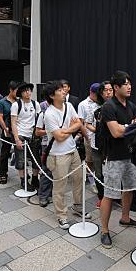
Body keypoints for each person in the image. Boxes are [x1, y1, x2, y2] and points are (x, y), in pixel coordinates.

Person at [99, 71, 136, 248]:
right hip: (114, 157)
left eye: (130, 83)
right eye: (125, 84)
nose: (129, 86)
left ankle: (125, 218)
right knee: (110, 194)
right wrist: (130, 126)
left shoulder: (132, 105)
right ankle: (104, 230)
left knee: (130, 189)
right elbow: (115, 132)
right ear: (116, 87)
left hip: (131, 155)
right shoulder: (109, 107)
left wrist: (127, 127)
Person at [43, 80, 89, 229]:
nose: (64, 92)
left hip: (73, 150)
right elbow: (59, 137)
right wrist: (69, 129)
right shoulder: (49, 114)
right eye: (59, 90)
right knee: (60, 187)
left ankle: (77, 206)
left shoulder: (69, 106)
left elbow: (78, 124)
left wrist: (66, 129)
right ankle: (61, 215)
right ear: (52, 95)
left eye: (64, 90)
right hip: (58, 154)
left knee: (79, 180)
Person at [85, 81, 113, 207]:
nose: (108, 92)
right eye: (105, 90)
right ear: (101, 93)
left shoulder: (117, 106)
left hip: (113, 145)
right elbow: (88, 124)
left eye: (110, 90)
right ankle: (101, 196)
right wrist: (98, 130)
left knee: (113, 172)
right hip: (97, 144)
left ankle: (114, 196)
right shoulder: (95, 108)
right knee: (99, 172)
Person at [11, 82, 41, 190]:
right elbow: (13, 123)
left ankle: (34, 178)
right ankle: (23, 181)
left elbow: (39, 119)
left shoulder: (35, 104)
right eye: (25, 91)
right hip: (21, 135)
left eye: (29, 90)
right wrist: (16, 138)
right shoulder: (16, 105)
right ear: (21, 93)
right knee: (21, 159)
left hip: (33, 135)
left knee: (36, 158)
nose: (28, 92)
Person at [0, 81, 20, 184]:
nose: (18, 93)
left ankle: (22, 173)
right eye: (16, 91)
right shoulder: (2, 102)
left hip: (19, 130)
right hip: (7, 130)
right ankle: (3, 174)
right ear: (11, 90)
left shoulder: (19, 101)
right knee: (5, 152)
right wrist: (5, 128)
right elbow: (0, 117)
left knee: (20, 152)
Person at [78, 83, 100, 190]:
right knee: (90, 160)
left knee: (100, 161)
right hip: (89, 136)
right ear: (91, 92)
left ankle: (99, 180)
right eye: (97, 94)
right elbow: (81, 122)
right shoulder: (83, 104)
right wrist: (85, 136)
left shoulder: (101, 103)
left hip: (100, 137)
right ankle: (92, 182)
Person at [35, 96, 53, 207]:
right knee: (47, 171)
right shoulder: (44, 114)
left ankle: (50, 193)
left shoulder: (65, 110)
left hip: (61, 146)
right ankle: (43, 196)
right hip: (47, 145)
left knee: (56, 172)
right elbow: (37, 132)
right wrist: (50, 131)